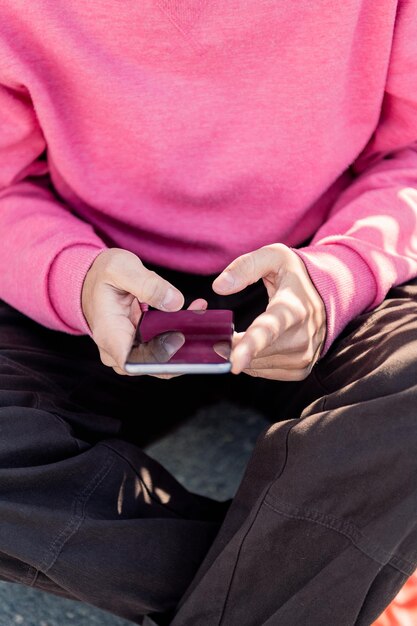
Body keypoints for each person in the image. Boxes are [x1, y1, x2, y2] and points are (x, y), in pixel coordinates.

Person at [0, 1, 416, 625]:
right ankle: (344, 579)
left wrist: (335, 277)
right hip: (99, 281)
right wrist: (74, 277)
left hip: (321, 260)